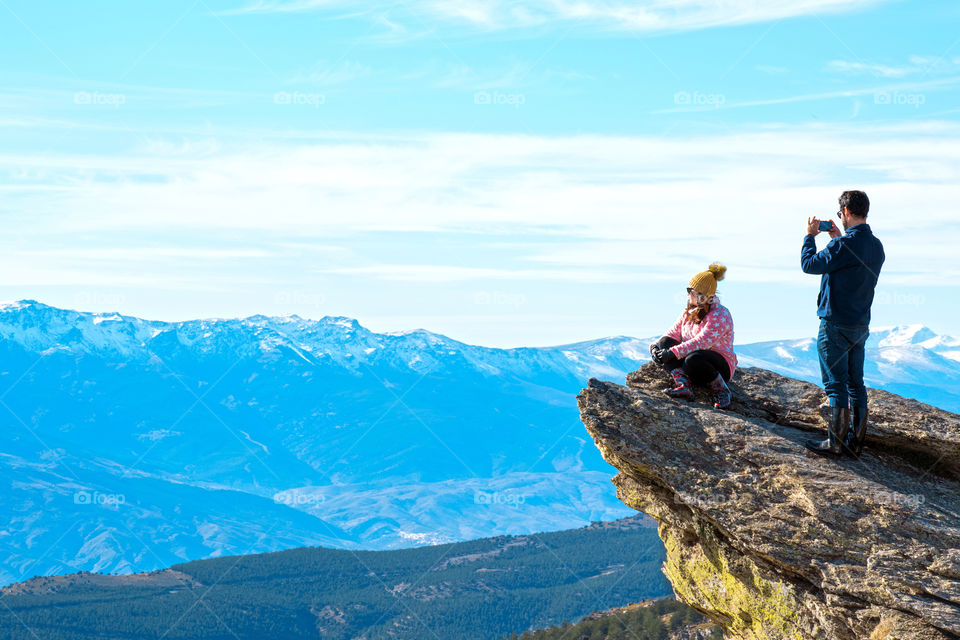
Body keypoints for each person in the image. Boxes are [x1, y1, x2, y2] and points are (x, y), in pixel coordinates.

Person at [801, 190, 885, 458]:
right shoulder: (876, 246)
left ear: (846, 212)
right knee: (855, 384)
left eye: (840, 214)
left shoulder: (841, 247)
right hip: (860, 325)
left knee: (836, 384)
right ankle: (855, 443)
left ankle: (835, 443)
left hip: (834, 322)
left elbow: (809, 265)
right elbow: (851, 267)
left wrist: (809, 237)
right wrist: (838, 239)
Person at [649, 263, 737, 409]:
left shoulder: (720, 314)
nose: (688, 293)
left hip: (716, 364)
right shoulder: (688, 313)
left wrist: (672, 353)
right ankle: (683, 386)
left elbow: (702, 342)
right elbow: (671, 334)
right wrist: (655, 348)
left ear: (700, 294)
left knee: (693, 359)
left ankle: (722, 391)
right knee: (664, 342)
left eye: (690, 290)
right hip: (691, 362)